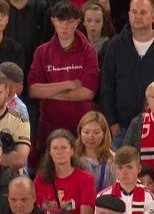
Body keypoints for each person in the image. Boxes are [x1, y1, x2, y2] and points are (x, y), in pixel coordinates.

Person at [101, 0, 154, 148]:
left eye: (143, 12)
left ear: (153, 16)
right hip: (121, 129)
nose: (137, 16)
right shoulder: (115, 45)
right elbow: (107, 86)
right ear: (128, 15)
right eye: (134, 12)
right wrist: (112, 121)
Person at [28, 1, 100, 145]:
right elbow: (34, 90)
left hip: (81, 127)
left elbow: (88, 92)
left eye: (70, 21)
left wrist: (50, 93)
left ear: (78, 22)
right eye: (60, 20)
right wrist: (69, 84)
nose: (65, 26)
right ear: (53, 21)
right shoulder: (42, 52)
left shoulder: (88, 51)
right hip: (49, 127)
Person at [33, 129, 96, 214]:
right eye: (55, 148)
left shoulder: (86, 179)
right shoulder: (40, 179)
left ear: (72, 150)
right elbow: (34, 212)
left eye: (64, 148)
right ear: (50, 152)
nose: (59, 152)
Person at [96, 145, 154, 214]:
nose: (124, 172)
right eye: (120, 167)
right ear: (115, 169)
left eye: (129, 167)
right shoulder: (103, 196)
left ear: (139, 168)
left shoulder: (149, 197)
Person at [74, 111, 115, 193]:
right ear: (80, 132)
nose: (90, 137)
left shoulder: (112, 158)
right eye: (86, 132)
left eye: (96, 132)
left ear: (104, 134)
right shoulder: (72, 156)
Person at [82, 1, 115, 69]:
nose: (93, 25)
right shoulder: (78, 46)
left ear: (103, 23)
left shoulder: (111, 47)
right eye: (89, 20)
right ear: (83, 22)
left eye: (97, 21)